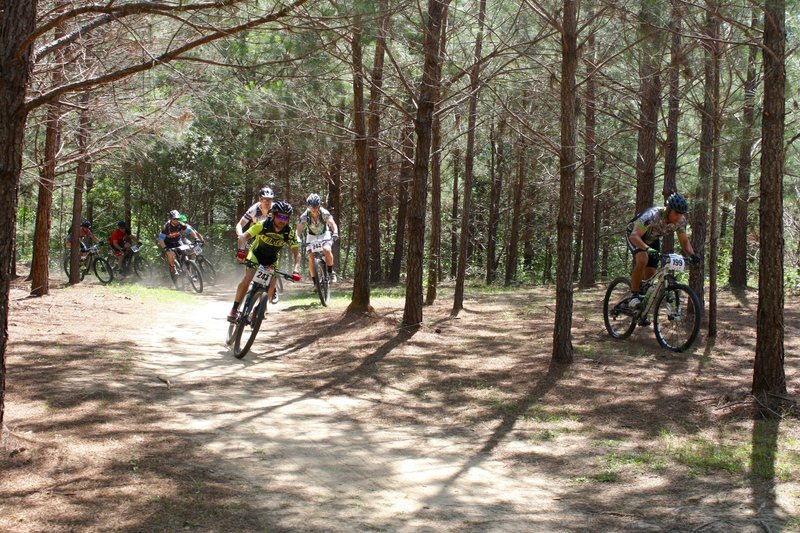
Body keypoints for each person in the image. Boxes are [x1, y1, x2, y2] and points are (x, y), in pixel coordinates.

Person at [228, 201, 301, 322]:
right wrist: (241, 250)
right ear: (273, 215)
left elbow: (296, 253)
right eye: (280, 216)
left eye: (286, 218)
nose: (283, 220)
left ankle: (258, 309)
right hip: (256, 255)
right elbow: (243, 236)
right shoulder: (263, 225)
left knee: (272, 286)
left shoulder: (289, 232)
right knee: (249, 277)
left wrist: (296, 270)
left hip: (271, 260)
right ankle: (234, 309)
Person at [626, 192, 701, 309]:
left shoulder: (680, 221)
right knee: (642, 259)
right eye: (676, 213)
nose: (679, 217)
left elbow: (684, 242)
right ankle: (633, 295)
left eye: (682, 214)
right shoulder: (652, 215)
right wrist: (647, 249)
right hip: (636, 235)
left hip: (652, 239)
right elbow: (634, 236)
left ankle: (643, 307)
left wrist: (692, 255)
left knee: (650, 274)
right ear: (669, 210)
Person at [295, 193, 339, 284]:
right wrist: (298, 239)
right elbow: (298, 229)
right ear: (308, 206)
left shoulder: (324, 212)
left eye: (316, 206)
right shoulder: (305, 215)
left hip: (324, 234)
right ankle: (315, 283)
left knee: (326, 249)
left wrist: (335, 233)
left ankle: (331, 272)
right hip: (311, 236)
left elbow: (332, 224)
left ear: (319, 205)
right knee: (311, 257)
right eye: (312, 206)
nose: (314, 208)